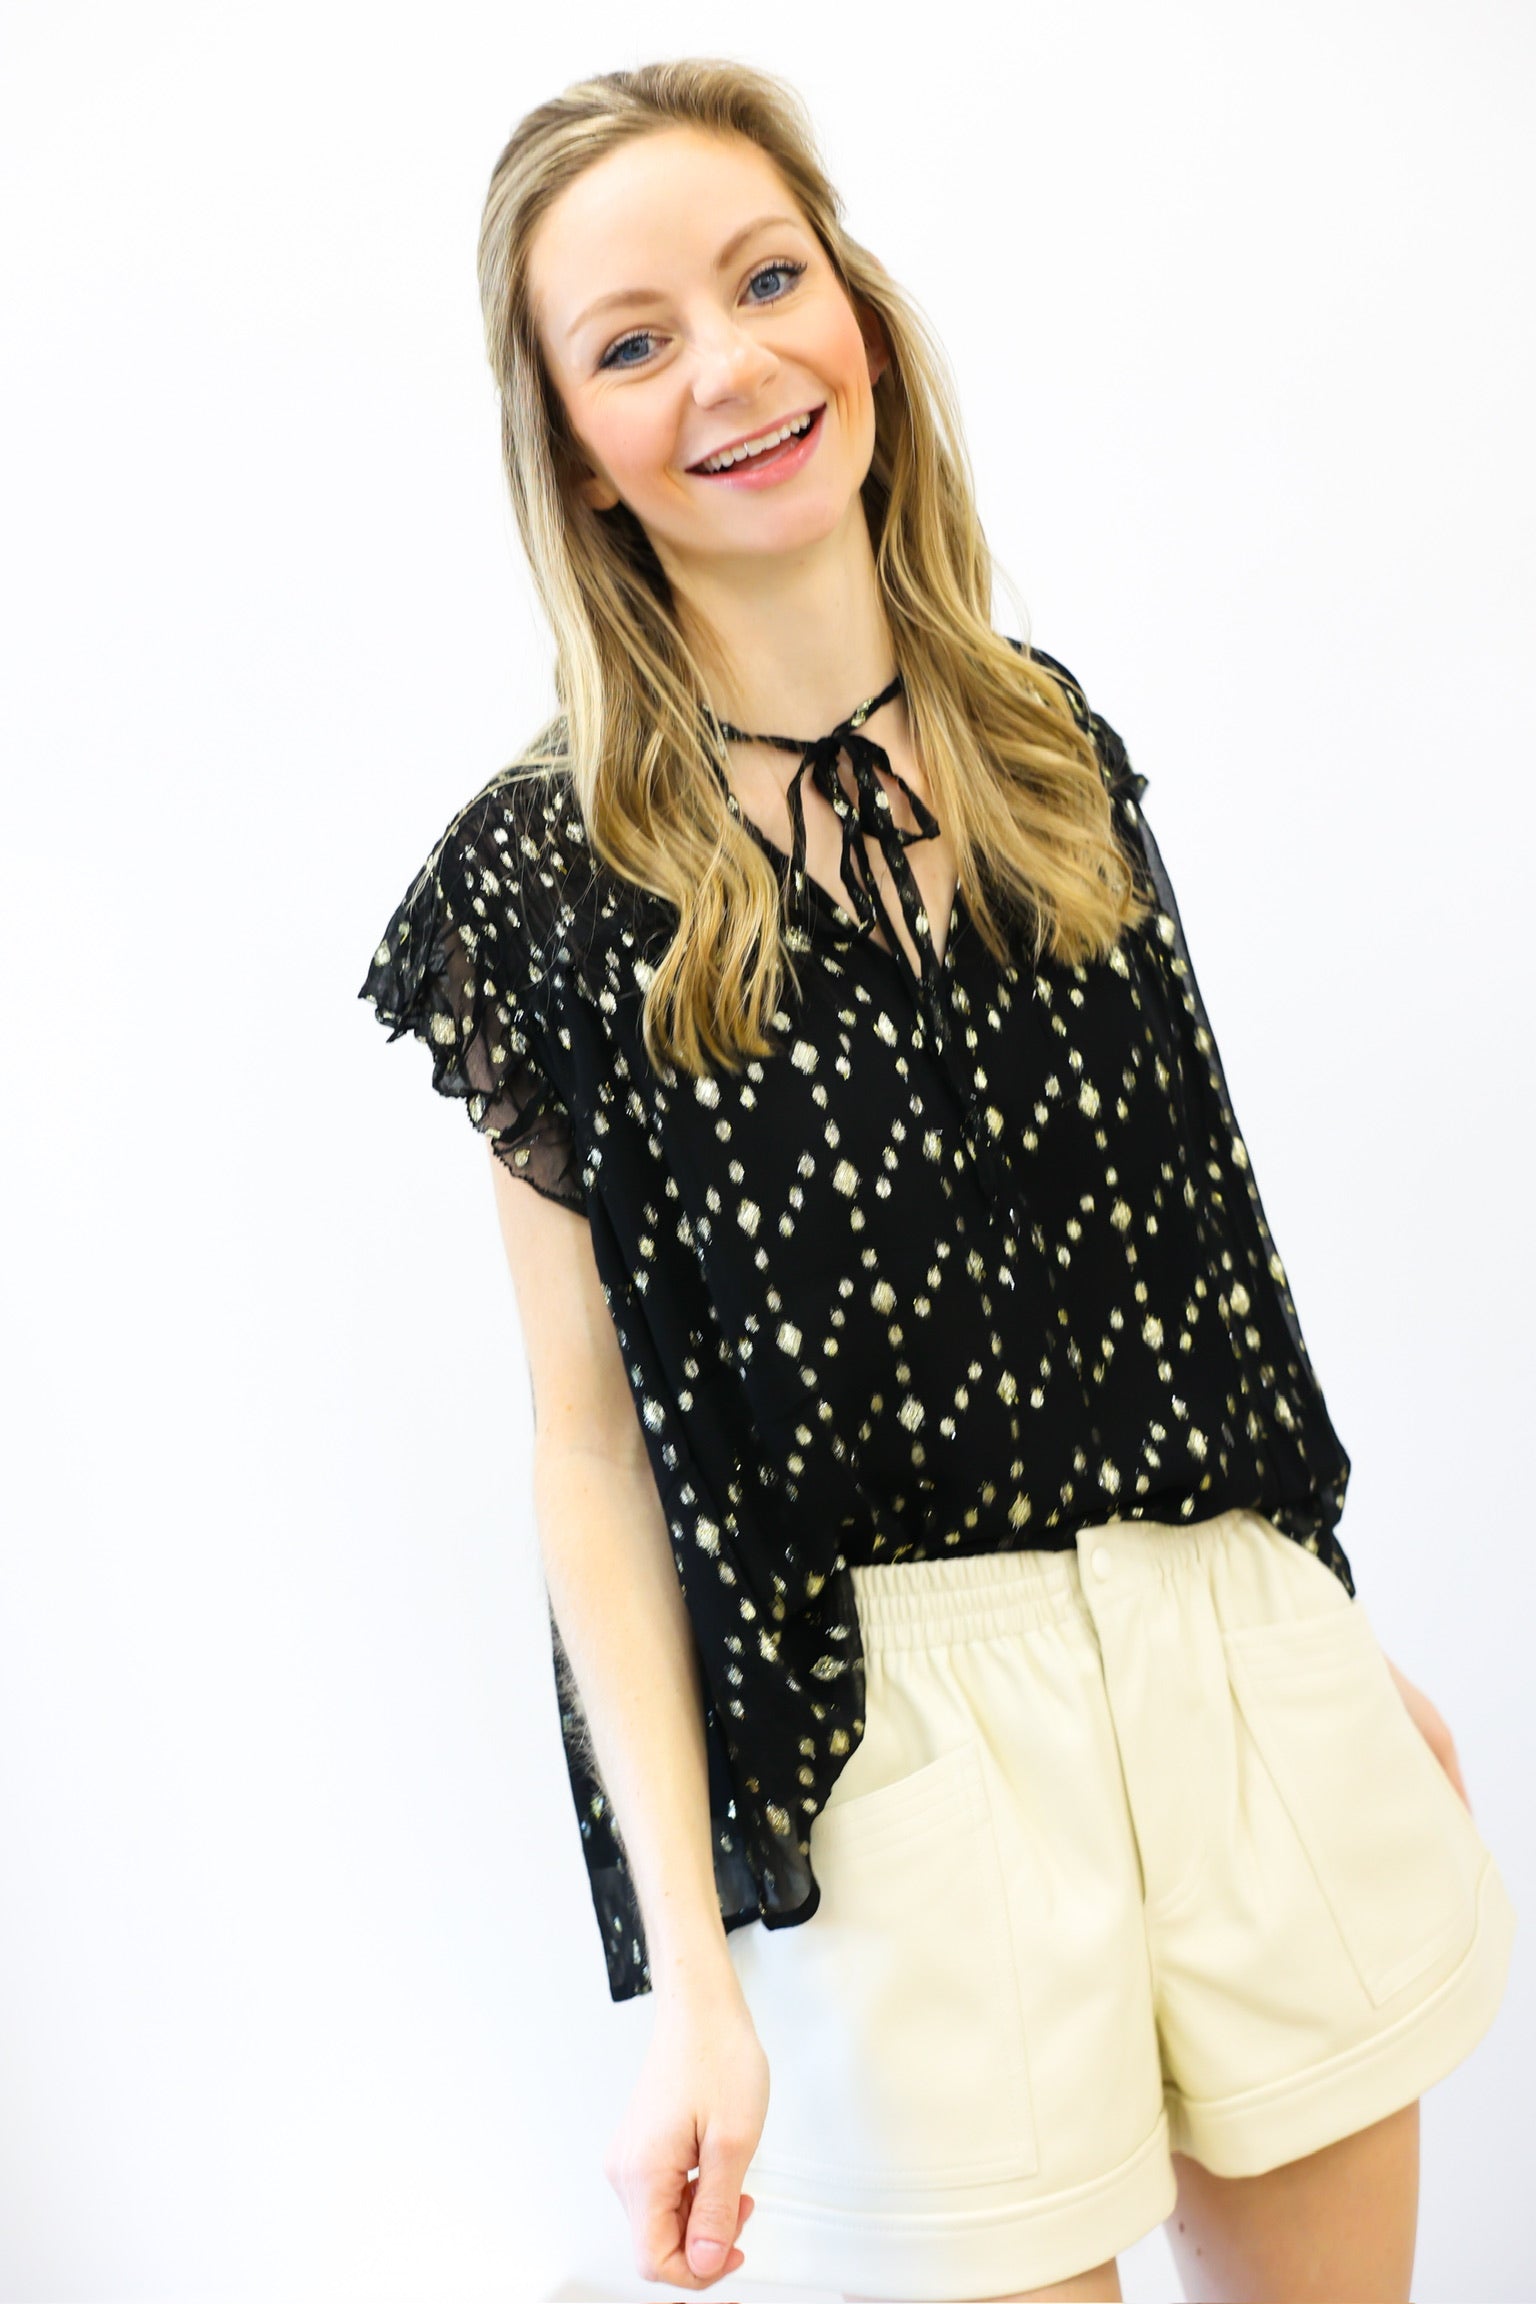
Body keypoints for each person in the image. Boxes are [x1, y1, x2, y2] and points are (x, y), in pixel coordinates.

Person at [357, 56, 1516, 2304]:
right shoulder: (544, 883)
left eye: (765, 276)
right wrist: (692, 1972)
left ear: (855, 312)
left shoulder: (1041, 741)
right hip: (892, 1758)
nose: (733, 363)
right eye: (633, 340)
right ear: (576, 456)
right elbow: (588, 1446)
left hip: (1237, 1648)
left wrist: (1321, 1613)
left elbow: (1205, 1240)